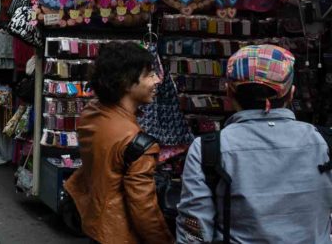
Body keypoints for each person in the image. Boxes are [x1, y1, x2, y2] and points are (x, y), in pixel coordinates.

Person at [177, 45, 332, 243]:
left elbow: (194, 230)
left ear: (228, 93)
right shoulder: (325, 142)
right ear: (291, 94)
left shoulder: (208, 148)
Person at [65, 42, 172, 244]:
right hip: (120, 235)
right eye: (149, 75)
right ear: (126, 82)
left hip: (96, 225)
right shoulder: (136, 144)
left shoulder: (92, 113)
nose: (157, 80)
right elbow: (145, 211)